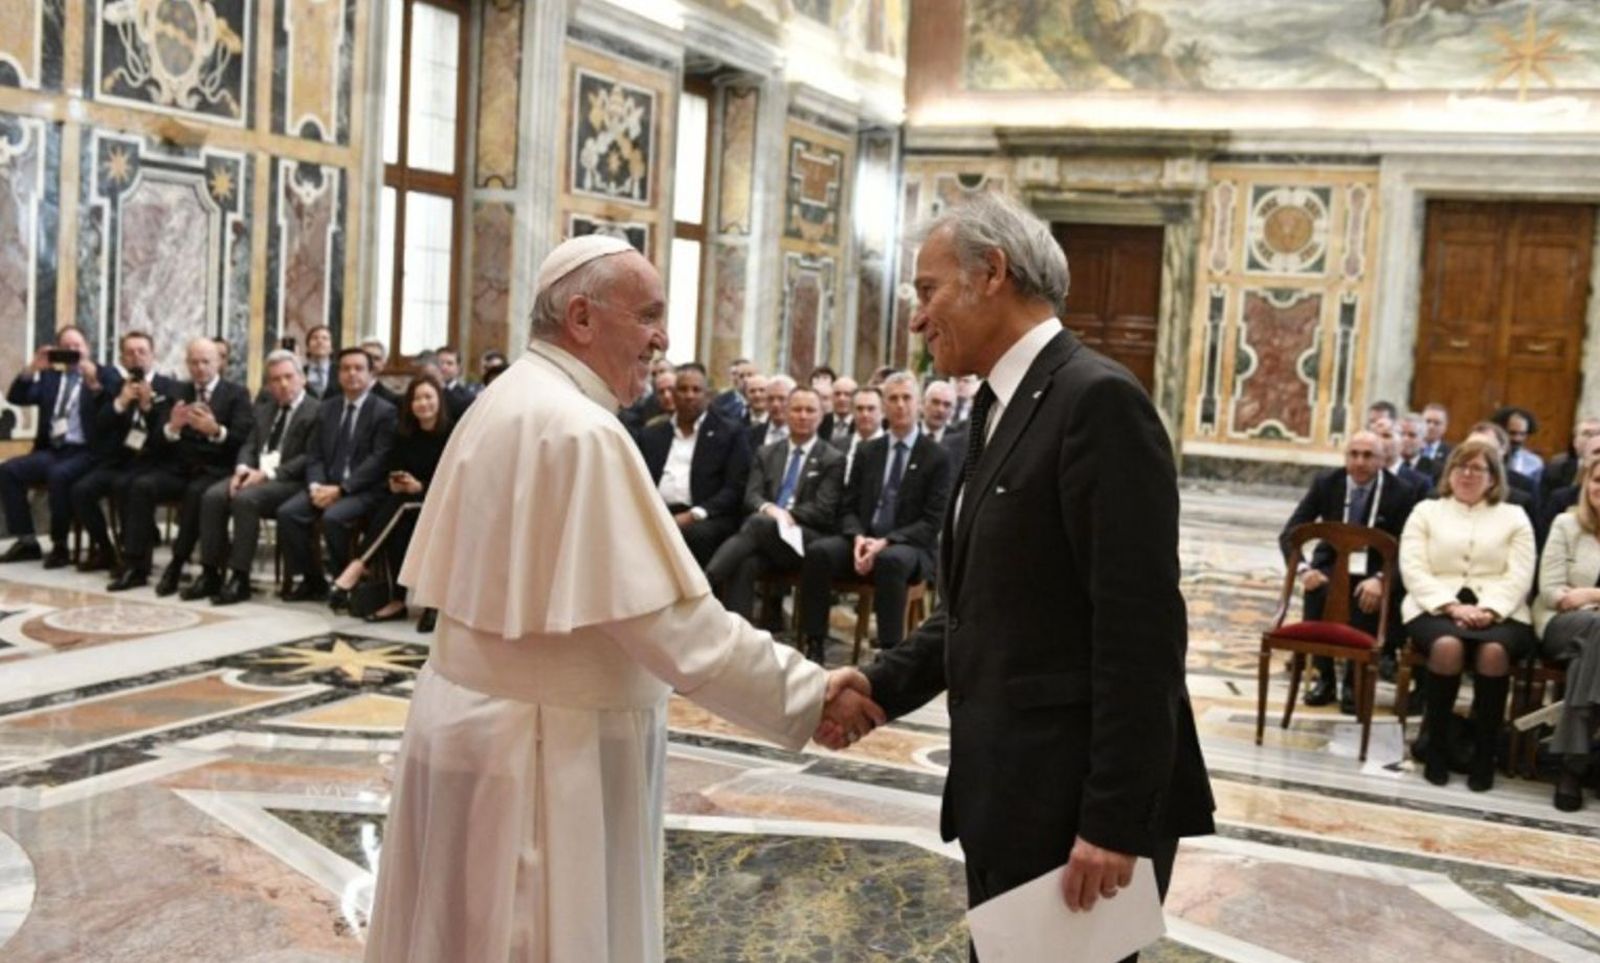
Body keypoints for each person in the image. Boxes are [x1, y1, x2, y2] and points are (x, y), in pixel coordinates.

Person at [365, 235, 882, 962]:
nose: (663, 339)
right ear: (581, 316)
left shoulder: (507, 398)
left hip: (471, 728)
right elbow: (677, 627)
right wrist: (807, 689)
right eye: (649, 315)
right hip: (543, 751)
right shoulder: (581, 430)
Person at [825, 193, 1214, 941]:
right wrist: (880, 681)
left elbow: (1142, 635)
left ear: (992, 273)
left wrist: (1114, 820)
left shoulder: (1096, 401)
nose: (916, 317)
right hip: (1008, 796)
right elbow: (982, 603)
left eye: (927, 289)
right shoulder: (1000, 404)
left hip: (1073, 817)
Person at [1400, 438, 1537, 791]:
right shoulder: (1426, 511)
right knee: (1448, 647)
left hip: (1502, 611)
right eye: (1461, 466)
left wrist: (1490, 609)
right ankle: (1437, 748)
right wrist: (1450, 606)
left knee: (1493, 653)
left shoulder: (1514, 516)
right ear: (1449, 472)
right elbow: (1413, 568)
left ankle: (1484, 754)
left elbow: (1520, 573)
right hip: (1433, 605)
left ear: (1493, 478)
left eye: (1478, 468)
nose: (1467, 474)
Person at [798, 371, 953, 662]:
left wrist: (886, 542)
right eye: (892, 399)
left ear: (919, 404)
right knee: (819, 552)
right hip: (863, 538)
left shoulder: (936, 456)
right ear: (884, 405)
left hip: (911, 546)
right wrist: (857, 537)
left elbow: (932, 521)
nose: (900, 405)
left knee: (890, 561)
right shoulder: (869, 451)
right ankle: (814, 642)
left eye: (906, 398)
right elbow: (848, 506)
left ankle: (889, 652)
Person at [1279, 431, 1419, 713]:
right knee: (1318, 588)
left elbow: (1410, 548)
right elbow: (1290, 533)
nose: (1359, 462)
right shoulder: (1326, 483)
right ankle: (1325, 678)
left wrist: (1381, 580)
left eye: (1368, 455)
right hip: (1331, 564)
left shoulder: (1401, 491)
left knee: (1364, 597)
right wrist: (1304, 570)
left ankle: (1354, 685)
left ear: (1382, 459)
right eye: (1353, 454)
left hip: (1376, 569)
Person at [109, 337, 253, 593]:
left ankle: (176, 564)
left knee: (198, 494)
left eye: (205, 362)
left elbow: (243, 439)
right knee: (142, 486)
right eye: (194, 362)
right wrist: (172, 427)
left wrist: (216, 430)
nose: (199, 368)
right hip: (178, 468)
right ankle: (134, 565)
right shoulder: (178, 391)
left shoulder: (237, 394)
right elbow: (155, 441)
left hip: (214, 470)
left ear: (219, 362)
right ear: (187, 364)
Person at [193, 350, 321, 605]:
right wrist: (242, 469)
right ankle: (210, 573)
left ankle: (240, 577)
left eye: (288, 377)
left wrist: (266, 474)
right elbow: (250, 445)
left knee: (245, 500)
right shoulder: (264, 409)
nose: (283, 384)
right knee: (213, 496)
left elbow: (308, 457)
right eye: (275, 379)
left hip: (289, 481)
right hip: (255, 474)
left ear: (302, 378)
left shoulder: (316, 410)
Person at [705, 386, 844, 622]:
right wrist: (771, 510)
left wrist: (787, 515)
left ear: (821, 416)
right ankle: (739, 633)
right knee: (745, 562)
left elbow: (823, 510)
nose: (802, 415)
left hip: (805, 539)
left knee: (757, 523)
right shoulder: (766, 452)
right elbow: (751, 496)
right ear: (786, 413)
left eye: (810, 410)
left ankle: (706, 581)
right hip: (765, 535)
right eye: (797, 409)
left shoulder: (832, 458)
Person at [327, 375, 454, 626]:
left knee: (400, 507)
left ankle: (358, 565)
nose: (423, 403)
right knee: (399, 519)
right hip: (408, 504)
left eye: (428, 397)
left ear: (439, 400)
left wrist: (421, 487)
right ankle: (396, 601)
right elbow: (392, 470)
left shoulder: (451, 434)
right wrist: (396, 482)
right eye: (417, 398)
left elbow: (455, 481)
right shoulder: (405, 434)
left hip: (442, 504)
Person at [276, 347, 397, 600]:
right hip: (325, 485)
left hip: (363, 491)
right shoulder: (327, 408)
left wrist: (342, 489)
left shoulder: (384, 411)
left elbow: (378, 460)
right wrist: (316, 486)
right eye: (345, 368)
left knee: (333, 518)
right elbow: (315, 454)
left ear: (370, 373)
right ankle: (312, 579)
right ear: (337, 373)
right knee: (288, 513)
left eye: (358, 368)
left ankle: (344, 580)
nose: (352, 374)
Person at [0, 326, 121, 566]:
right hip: (54, 449)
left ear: (87, 347)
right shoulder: (51, 376)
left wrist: (94, 384)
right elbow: (17, 398)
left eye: (77, 346)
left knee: (58, 475)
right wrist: (32, 368)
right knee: (7, 470)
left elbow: (114, 411)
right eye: (66, 347)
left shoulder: (106, 374)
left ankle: (60, 544)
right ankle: (26, 540)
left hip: (87, 451)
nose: (73, 351)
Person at [70, 331, 177, 573]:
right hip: (122, 460)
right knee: (81, 491)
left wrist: (147, 407)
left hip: (154, 463)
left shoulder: (170, 387)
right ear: (123, 359)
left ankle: (134, 557)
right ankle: (106, 549)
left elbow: (165, 434)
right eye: (130, 353)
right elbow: (101, 424)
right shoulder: (117, 386)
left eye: (142, 352)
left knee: (128, 487)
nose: (136, 357)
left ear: (153, 355)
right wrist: (120, 402)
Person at [1534, 453, 1600, 812]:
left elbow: (1576, 594)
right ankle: (1583, 762)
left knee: (1585, 662)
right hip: (1561, 626)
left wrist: (1590, 595)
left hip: (1590, 639)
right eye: (1597, 480)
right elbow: (1551, 591)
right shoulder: (1566, 525)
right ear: (1586, 484)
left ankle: (1572, 767)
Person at [636, 363, 751, 567]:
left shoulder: (729, 432)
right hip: (659, 512)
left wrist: (694, 515)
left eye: (696, 390)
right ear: (673, 393)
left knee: (696, 535)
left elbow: (735, 487)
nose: (689, 395)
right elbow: (639, 482)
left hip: (706, 516)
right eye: (683, 389)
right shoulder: (652, 434)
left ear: (707, 395)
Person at [1540, 414, 1600, 507]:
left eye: (1598, 434)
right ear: (1575, 441)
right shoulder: (1554, 472)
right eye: (1587, 434)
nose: (1593, 438)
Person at [1370, 414, 1431, 495]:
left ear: (1400, 441)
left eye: (1386, 436)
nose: (1380, 441)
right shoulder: (1362, 475)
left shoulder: (1419, 483)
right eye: (1375, 436)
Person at [839, 385, 886, 484]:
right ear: (852, 411)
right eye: (860, 409)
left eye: (871, 409)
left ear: (883, 411)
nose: (865, 414)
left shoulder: (892, 448)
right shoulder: (837, 447)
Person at [1493, 405, 1543, 485]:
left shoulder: (1535, 463)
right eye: (1512, 433)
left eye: (1522, 434)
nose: (1517, 439)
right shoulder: (1489, 458)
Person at [435, 346, 477, 419]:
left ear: (458, 369)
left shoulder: (466, 397)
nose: (444, 367)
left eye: (449, 363)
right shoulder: (423, 391)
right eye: (440, 363)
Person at [710, 357, 754, 424]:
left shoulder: (762, 399)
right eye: (741, 376)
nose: (745, 379)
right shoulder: (720, 402)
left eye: (749, 375)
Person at [359, 338, 402, 407]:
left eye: (376, 358)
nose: (371, 362)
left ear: (383, 364)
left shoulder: (391, 400)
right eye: (367, 357)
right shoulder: (338, 393)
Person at [818, 375, 857, 448]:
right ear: (831, 397)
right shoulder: (820, 421)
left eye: (847, 394)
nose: (841, 398)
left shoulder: (860, 423)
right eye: (837, 394)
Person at [304, 324, 334, 398]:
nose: (320, 341)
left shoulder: (341, 371)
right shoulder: (300, 372)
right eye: (315, 338)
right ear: (308, 347)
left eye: (325, 338)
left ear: (331, 348)